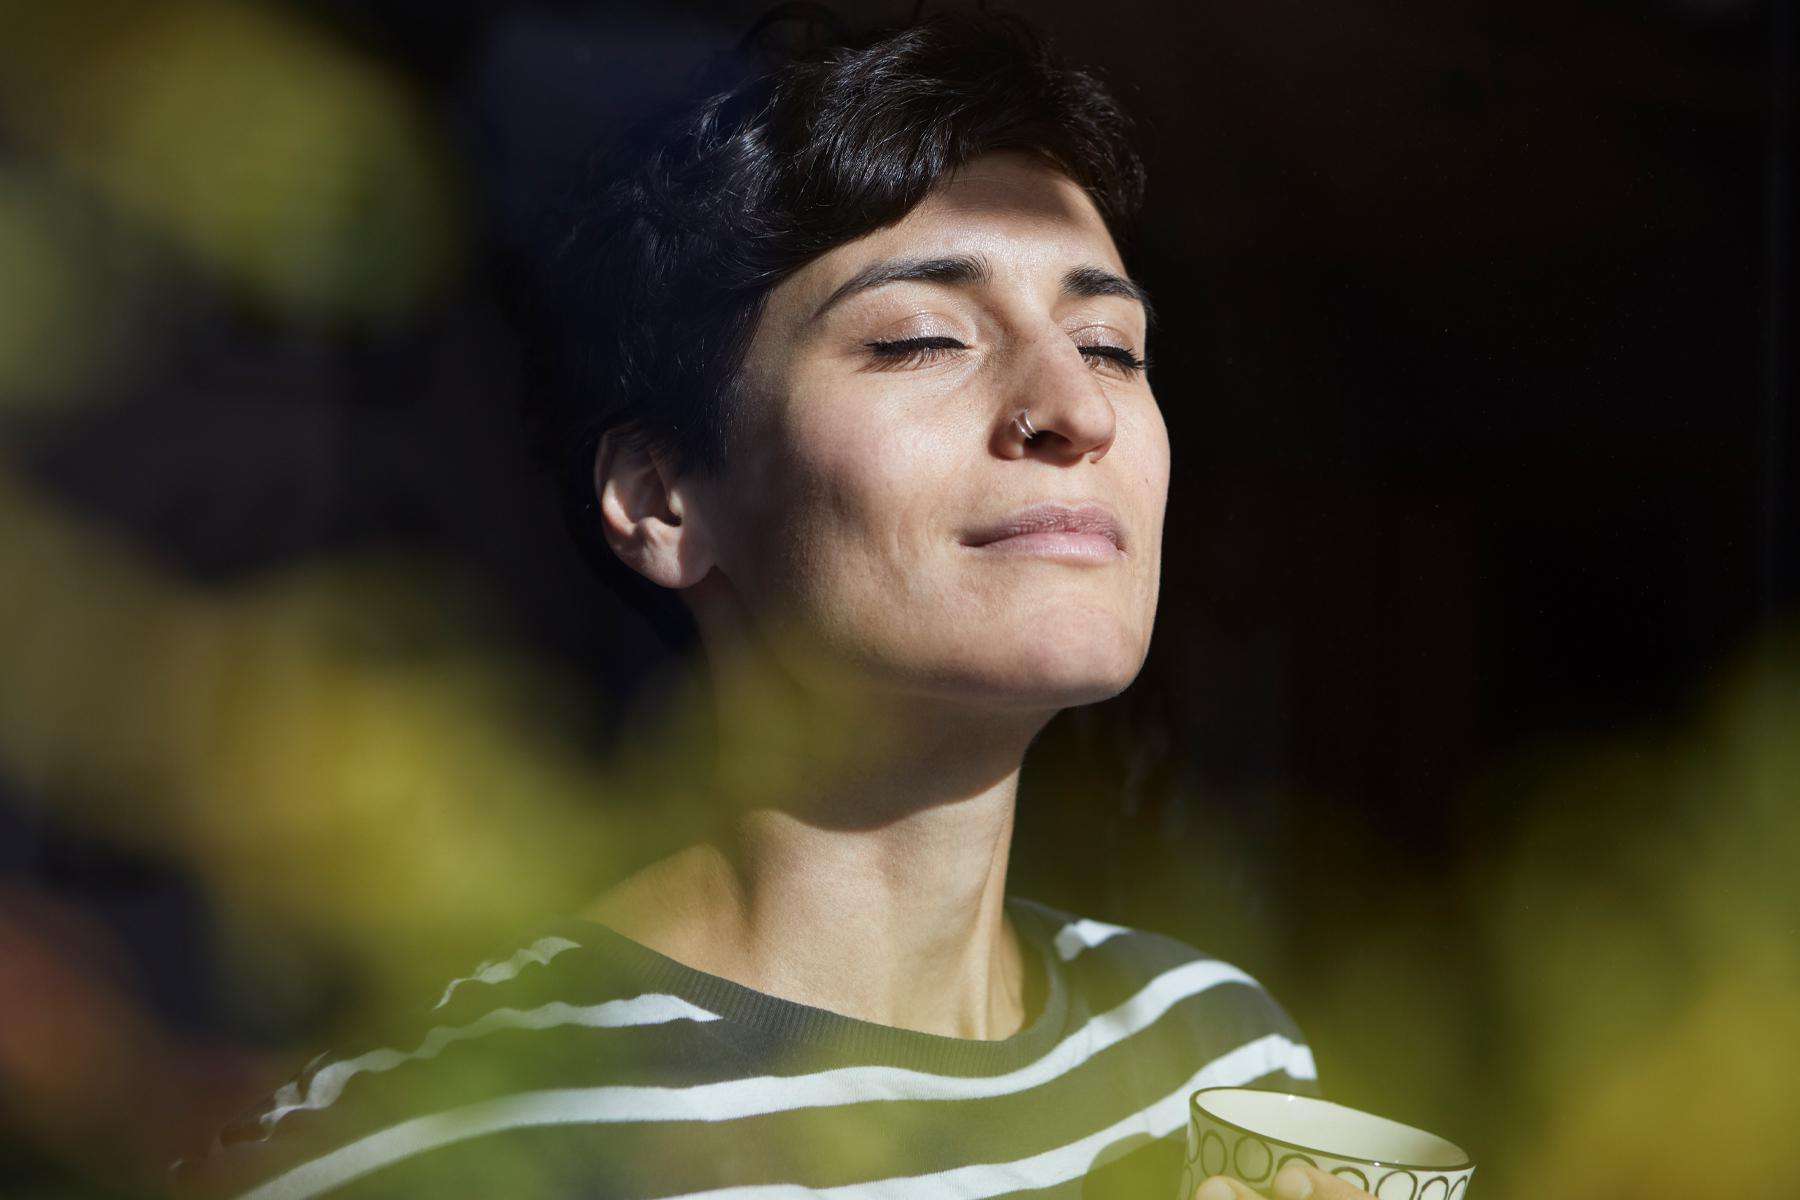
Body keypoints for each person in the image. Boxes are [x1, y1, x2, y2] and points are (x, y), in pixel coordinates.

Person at [171, 8, 1346, 1199]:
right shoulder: (451, 1143)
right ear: (664, 499)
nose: (1075, 409)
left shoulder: (1218, 1061)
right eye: (924, 337)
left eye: (1110, 344)